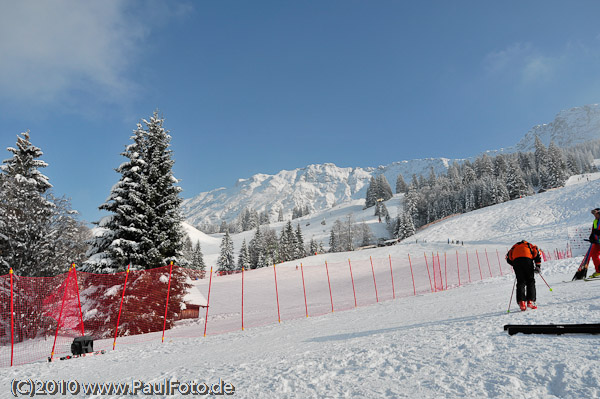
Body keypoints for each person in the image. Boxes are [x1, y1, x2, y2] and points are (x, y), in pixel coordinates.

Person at [506, 240, 542, 311]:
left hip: (516, 261)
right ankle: (530, 301)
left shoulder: (514, 247)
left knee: (520, 282)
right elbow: (537, 254)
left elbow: (508, 258)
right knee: (530, 280)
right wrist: (537, 266)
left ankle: (521, 302)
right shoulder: (530, 245)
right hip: (527, 260)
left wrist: (515, 265)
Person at [589, 208, 600, 278]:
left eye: (595, 214)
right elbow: (593, 231)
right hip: (597, 242)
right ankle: (599, 271)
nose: (595, 216)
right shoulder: (595, 221)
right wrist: (591, 237)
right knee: (594, 255)